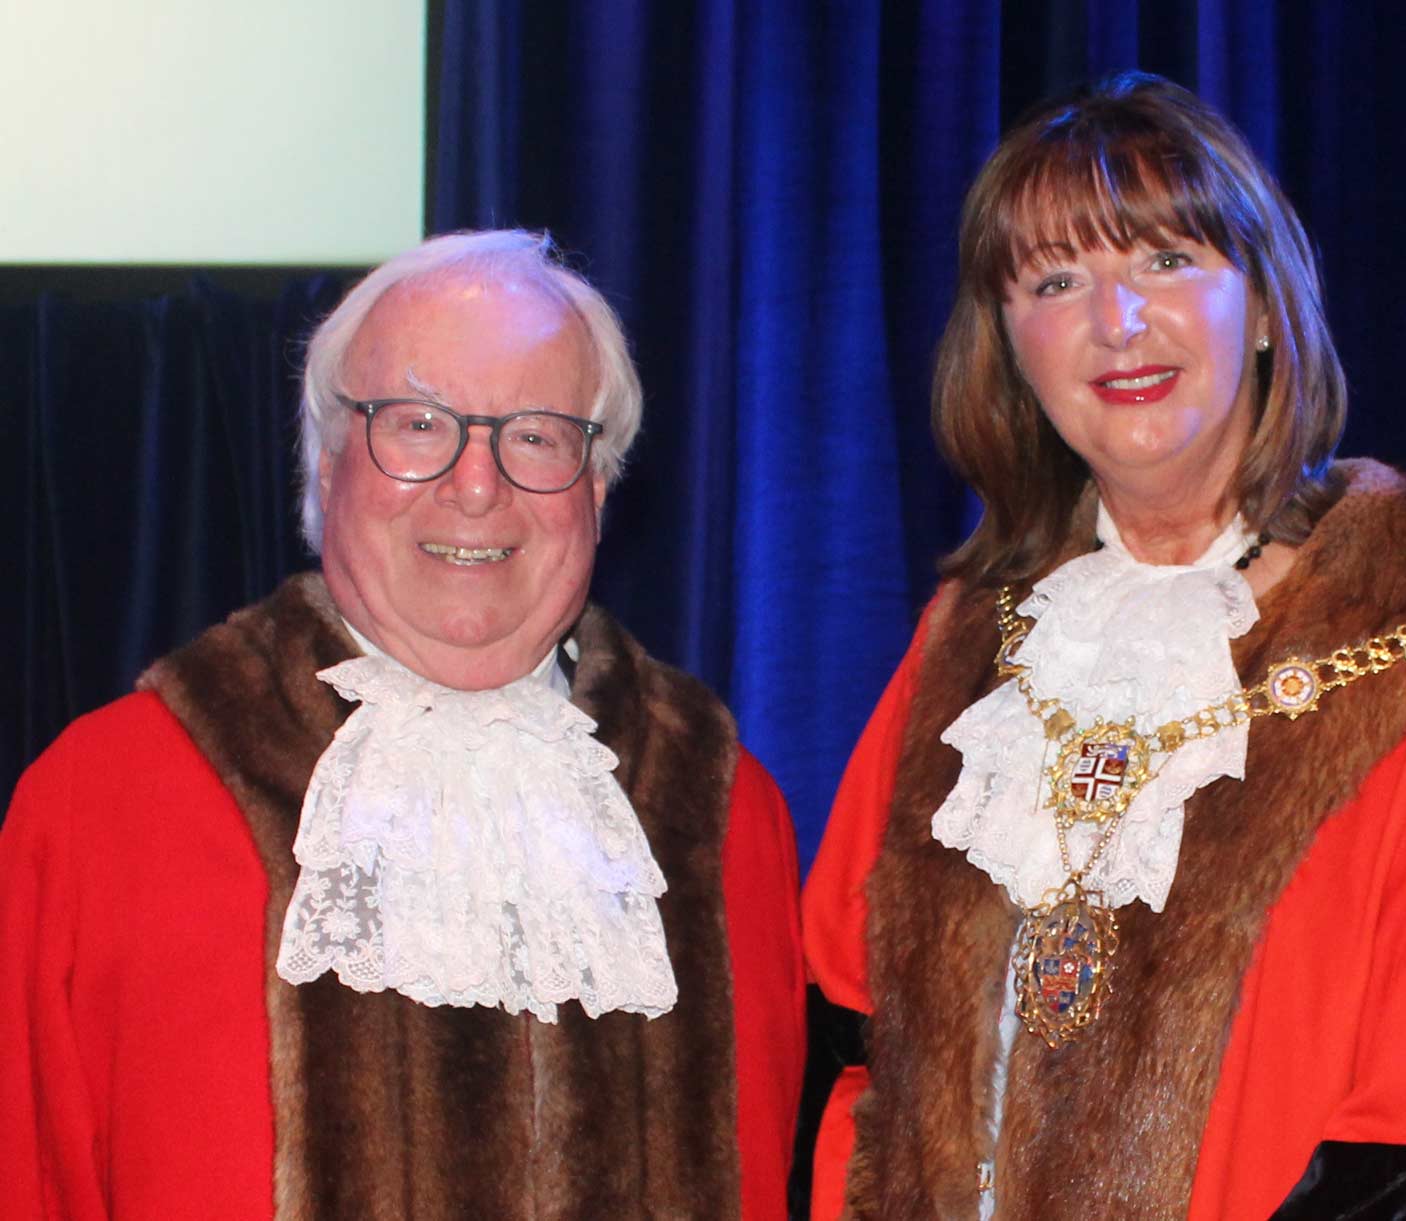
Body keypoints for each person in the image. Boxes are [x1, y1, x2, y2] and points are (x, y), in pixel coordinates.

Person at [803, 74, 1406, 1219]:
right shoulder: (960, 652)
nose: (1114, 323)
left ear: (1266, 305)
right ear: (1008, 349)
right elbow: (848, 1045)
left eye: (1165, 261)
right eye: (1054, 280)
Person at [0, 229, 805, 1219]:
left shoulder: (722, 812)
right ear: (327, 464)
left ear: (596, 491)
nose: (477, 485)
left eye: (538, 433)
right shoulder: (110, 801)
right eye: (418, 424)